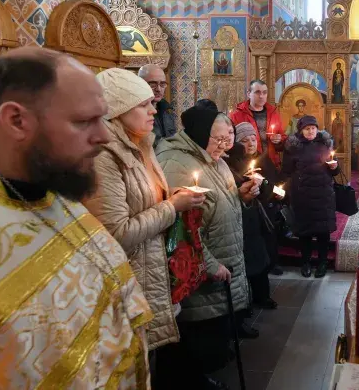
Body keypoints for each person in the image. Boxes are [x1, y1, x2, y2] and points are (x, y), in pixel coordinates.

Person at [0, 47, 152, 387]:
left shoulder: (52, 191)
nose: (104, 136)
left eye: (102, 118)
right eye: (83, 121)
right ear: (17, 121)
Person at [82, 68, 206, 386]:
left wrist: (172, 199)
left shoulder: (143, 146)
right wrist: (171, 207)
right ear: (119, 109)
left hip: (151, 272)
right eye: (144, 104)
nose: (154, 110)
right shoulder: (103, 156)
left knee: (152, 363)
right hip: (128, 279)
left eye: (153, 103)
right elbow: (114, 235)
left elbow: (149, 202)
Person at [157, 108, 259, 389]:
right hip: (201, 270)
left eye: (229, 139)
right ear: (202, 135)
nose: (225, 147)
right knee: (196, 338)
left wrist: (242, 197)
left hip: (220, 258)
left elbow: (219, 204)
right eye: (219, 140)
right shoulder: (175, 163)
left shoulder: (212, 158)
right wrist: (211, 265)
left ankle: (199, 376)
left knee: (211, 338)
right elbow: (182, 227)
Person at [225, 122, 280, 311]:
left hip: (264, 213)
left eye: (253, 139)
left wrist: (266, 186)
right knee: (248, 259)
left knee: (263, 256)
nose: (250, 143)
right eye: (244, 140)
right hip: (244, 216)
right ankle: (246, 302)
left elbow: (275, 186)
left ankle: (262, 295)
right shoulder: (231, 163)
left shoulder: (263, 160)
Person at [282, 115, 340, 278]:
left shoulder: (325, 143)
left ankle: (322, 263)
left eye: (313, 128)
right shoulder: (293, 147)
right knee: (305, 233)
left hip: (323, 195)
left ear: (317, 129)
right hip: (303, 195)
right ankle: (305, 262)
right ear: (301, 130)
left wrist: (335, 167)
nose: (311, 131)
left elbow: (334, 170)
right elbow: (287, 170)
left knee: (323, 232)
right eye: (307, 129)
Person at [229, 79, 286, 169]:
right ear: (248, 93)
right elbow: (231, 141)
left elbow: (282, 138)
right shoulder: (236, 115)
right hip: (246, 164)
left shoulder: (273, 113)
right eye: (257, 92)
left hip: (271, 163)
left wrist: (279, 140)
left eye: (264, 92)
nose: (261, 96)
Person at [139, 64, 177, 147]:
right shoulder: (135, 112)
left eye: (162, 84)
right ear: (140, 83)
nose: (158, 89)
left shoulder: (167, 109)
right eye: (153, 84)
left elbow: (173, 137)